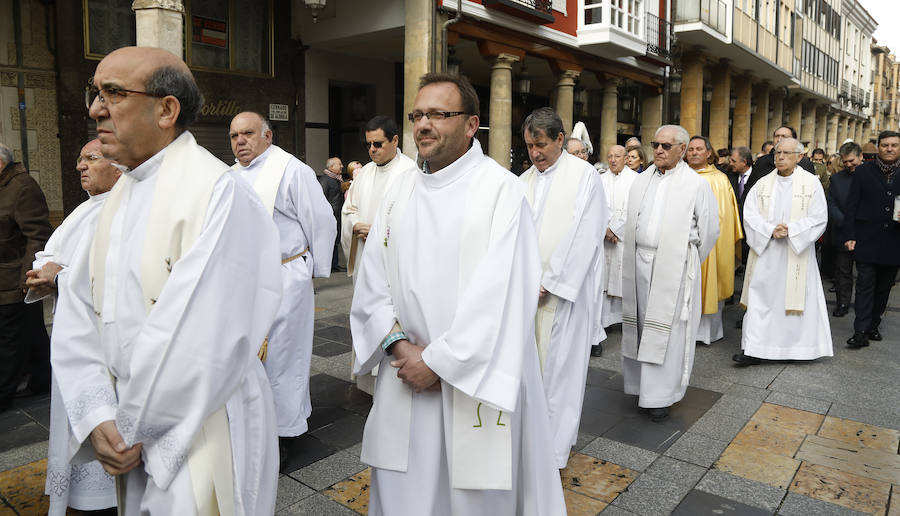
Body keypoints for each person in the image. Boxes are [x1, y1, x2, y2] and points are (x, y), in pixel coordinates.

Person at [51, 47, 283, 514]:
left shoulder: (217, 192)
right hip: (125, 423)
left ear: (166, 109)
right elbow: (78, 312)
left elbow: (205, 336)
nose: (95, 108)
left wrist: (133, 423)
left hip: (201, 425)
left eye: (113, 93)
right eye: (94, 93)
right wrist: (99, 415)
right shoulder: (119, 193)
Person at [350, 73, 566, 515]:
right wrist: (398, 345)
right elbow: (373, 279)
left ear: (471, 125)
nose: (424, 125)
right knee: (403, 494)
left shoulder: (500, 191)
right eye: (418, 115)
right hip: (404, 372)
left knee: (472, 500)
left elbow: (504, 297)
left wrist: (437, 362)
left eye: (439, 114)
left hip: (475, 380)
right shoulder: (400, 188)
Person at [24, 140, 120, 516]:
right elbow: (53, 250)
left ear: (118, 167)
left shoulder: (125, 210)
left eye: (91, 159)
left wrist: (59, 277)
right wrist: (44, 270)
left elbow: (113, 276)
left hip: (102, 343)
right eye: (79, 159)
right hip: (72, 337)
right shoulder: (84, 209)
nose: (81, 166)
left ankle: (107, 497)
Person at [229, 111, 336, 449]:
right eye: (234, 136)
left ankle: (285, 434)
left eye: (248, 133)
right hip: (244, 281)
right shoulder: (228, 176)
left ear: (268, 136)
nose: (240, 141)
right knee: (246, 358)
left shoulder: (292, 170)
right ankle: (253, 425)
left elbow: (320, 221)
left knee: (283, 357)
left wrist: (314, 271)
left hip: (286, 276)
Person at [519, 107, 607, 468]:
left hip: (563, 296)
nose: (535, 153)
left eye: (541, 145)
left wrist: (551, 281)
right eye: (528, 146)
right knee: (529, 371)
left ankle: (553, 450)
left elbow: (585, 233)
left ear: (559, 139)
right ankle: (526, 441)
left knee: (559, 372)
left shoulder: (584, 177)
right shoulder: (523, 180)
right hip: (525, 293)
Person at [621, 125, 719, 422]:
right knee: (640, 325)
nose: (659, 150)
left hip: (673, 268)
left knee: (667, 332)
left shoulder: (695, 184)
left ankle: (661, 396)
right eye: (656, 145)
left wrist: (684, 261)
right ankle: (641, 388)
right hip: (639, 262)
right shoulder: (641, 181)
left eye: (666, 146)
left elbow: (709, 230)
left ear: (682, 149)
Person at [734, 138, 831, 365]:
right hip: (767, 253)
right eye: (777, 153)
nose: (780, 157)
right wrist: (769, 230)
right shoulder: (763, 184)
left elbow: (819, 218)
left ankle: (797, 349)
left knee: (794, 301)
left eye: (787, 153)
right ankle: (754, 349)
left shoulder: (811, 183)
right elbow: (750, 215)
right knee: (761, 299)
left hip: (796, 253)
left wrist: (792, 230)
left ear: (799, 157)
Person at [341, 115, 417, 395]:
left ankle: (393, 379)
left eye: (378, 143)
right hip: (364, 258)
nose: (372, 150)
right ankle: (367, 381)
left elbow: (415, 221)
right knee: (367, 307)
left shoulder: (411, 173)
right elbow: (348, 210)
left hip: (392, 262)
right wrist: (354, 224)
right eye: (368, 144)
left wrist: (380, 230)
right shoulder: (365, 175)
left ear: (395, 140)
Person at [0, 143, 52, 413]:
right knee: (30, 333)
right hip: (6, 279)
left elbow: (38, 235)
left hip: (13, 280)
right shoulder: (3, 185)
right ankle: (43, 380)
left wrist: (27, 280)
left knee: (8, 339)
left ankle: (3, 393)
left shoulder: (22, 187)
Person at [844, 130, 900, 349]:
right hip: (866, 239)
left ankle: (873, 325)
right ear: (878, 147)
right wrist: (849, 235)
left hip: (894, 242)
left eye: (894, 145)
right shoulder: (863, 171)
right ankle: (860, 331)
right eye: (885, 145)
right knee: (865, 285)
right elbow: (852, 205)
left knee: (883, 288)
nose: (889, 149)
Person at [686, 136, 742, 345]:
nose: (694, 152)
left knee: (710, 283)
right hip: (682, 243)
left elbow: (725, 218)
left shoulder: (719, 180)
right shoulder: (678, 177)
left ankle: (707, 333)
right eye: (690, 149)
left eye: (699, 149)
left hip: (711, 246)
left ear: (709, 153)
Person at [599, 145, 638, 338]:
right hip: (605, 239)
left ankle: (624, 320)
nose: (613, 160)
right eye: (610, 156)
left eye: (617, 156)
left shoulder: (636, 180)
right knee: (604, 280)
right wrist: (605, 230)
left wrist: (614, 230)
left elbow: (633, 209)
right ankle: (605, 321)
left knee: (623, 278)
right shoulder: (600, 179)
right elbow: (598, 207)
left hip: (623, 240)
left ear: (626, 158)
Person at [827, 141, 863, 317]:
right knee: (842, 271)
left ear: (860, 157)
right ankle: (842, 303)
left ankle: (865, 307)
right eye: (845, 161)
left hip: (866, 233)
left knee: (866, 274)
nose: (849, 164)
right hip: (842, 232)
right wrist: (845, 223)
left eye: (852, 161)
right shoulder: (836, 179)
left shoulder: (870, 176)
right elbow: (831, 204)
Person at [747, 127, 815, 195]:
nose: (779, 139)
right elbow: (749, 189)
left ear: (793, 140)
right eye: (777, 136)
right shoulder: (761, 162)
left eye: (784, 136)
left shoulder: (805, 164)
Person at [729, 146, 754, 275]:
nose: (730, 164)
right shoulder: (728, 176)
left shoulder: (757, 179)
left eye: (733, 161)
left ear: (744, 162)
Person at [319, 156, 345, 272]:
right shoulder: (325, 180)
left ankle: (334, 265)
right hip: (330, 216)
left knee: (335, 240)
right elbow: (321, 199)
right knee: (329, 241)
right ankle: (328, 266)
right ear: (331, 167)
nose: (342, 166)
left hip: (337, 215)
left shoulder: (337, 179)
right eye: (339, 164)